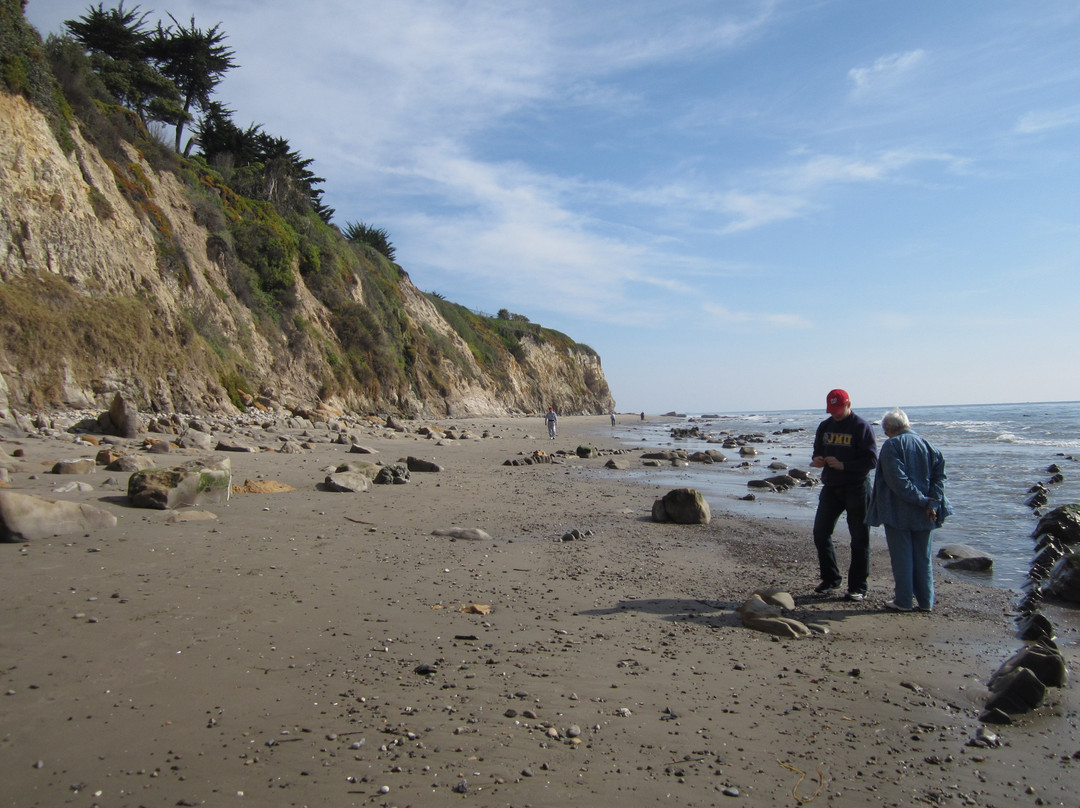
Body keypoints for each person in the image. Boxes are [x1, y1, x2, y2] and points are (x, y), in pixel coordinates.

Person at [866, 408, 952, 613]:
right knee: (923, 556)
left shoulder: (892, 446)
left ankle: (904, 601)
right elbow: (940, 479)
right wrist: (932, 502)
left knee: (902, 556)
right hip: (927, 512)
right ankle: (925, 602)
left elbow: (898, 481)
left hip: (899, 511)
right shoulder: (929, 445)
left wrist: (922, 501)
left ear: (887, 429)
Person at [810, 389, 878, 601]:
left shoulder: (861, 427)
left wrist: (844, 465)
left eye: (839, 409)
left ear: (849, 404)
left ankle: (858, 586)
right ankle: (831, 579)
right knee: (821, 533)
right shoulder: (825, 426)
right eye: (832, 410)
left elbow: (872, 461)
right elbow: (816, 452)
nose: (836, 414)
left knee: (859, 538)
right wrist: (818, 460)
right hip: (831, 487)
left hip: (857, 487)